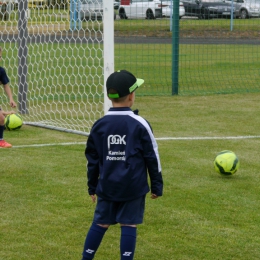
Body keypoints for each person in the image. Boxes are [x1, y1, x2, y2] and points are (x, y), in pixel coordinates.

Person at [81, 70, 163, 260]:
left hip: (107, 186)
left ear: (110, 96)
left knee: (100, 223)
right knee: (129, 224)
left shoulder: (99, 125)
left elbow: (91, 160)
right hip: (133, 187)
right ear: (132, 96)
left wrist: (92, 186)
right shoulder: (140, 123)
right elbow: (153, 156)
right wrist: (157, 185)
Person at [0, 46, 17, 148]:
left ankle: (1, 140)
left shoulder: (1, 71)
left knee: (1, 118)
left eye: (0, 56)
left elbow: (6, 85)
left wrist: (11, 98)